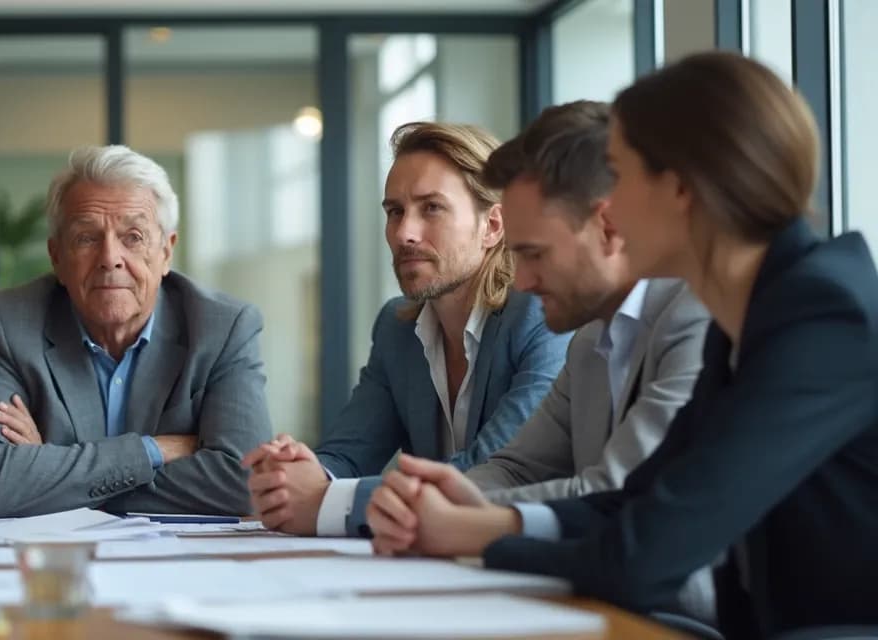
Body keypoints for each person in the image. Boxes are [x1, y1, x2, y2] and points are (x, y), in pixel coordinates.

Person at [367, 52, 878, 638]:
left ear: (681, 187)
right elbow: (637, 499)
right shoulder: (750, 308)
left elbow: (644, 554)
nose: (607, 202)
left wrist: (475, 536)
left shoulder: (820, 312)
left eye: (620, 171)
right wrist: (475, 520)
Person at [367, 100, 715, 621]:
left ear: (609, 226)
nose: (522, 281)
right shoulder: (589, 338)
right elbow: (514, 466)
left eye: (535, 253)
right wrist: (431, 503)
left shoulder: (698, 316)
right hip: (606, 601)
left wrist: (463, 523)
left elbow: (614, 491)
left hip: (691, 616)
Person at [241, 122, 571, 536]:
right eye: (394, 211)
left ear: (492, 227)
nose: (404, 233)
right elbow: (348, 453)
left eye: (431, 207)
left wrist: (328, 500)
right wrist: (301, 475)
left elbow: (496, 472)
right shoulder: (397, 329)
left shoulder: (541, 315)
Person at [0, 144, 272, 517]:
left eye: (133, 237)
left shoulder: (223, 328)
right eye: (87, 238)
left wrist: (52, 477)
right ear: (56, 256)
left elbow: (243, 483)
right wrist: (153, 451)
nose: (109, 258)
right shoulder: (6, 323)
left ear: (166, 252)